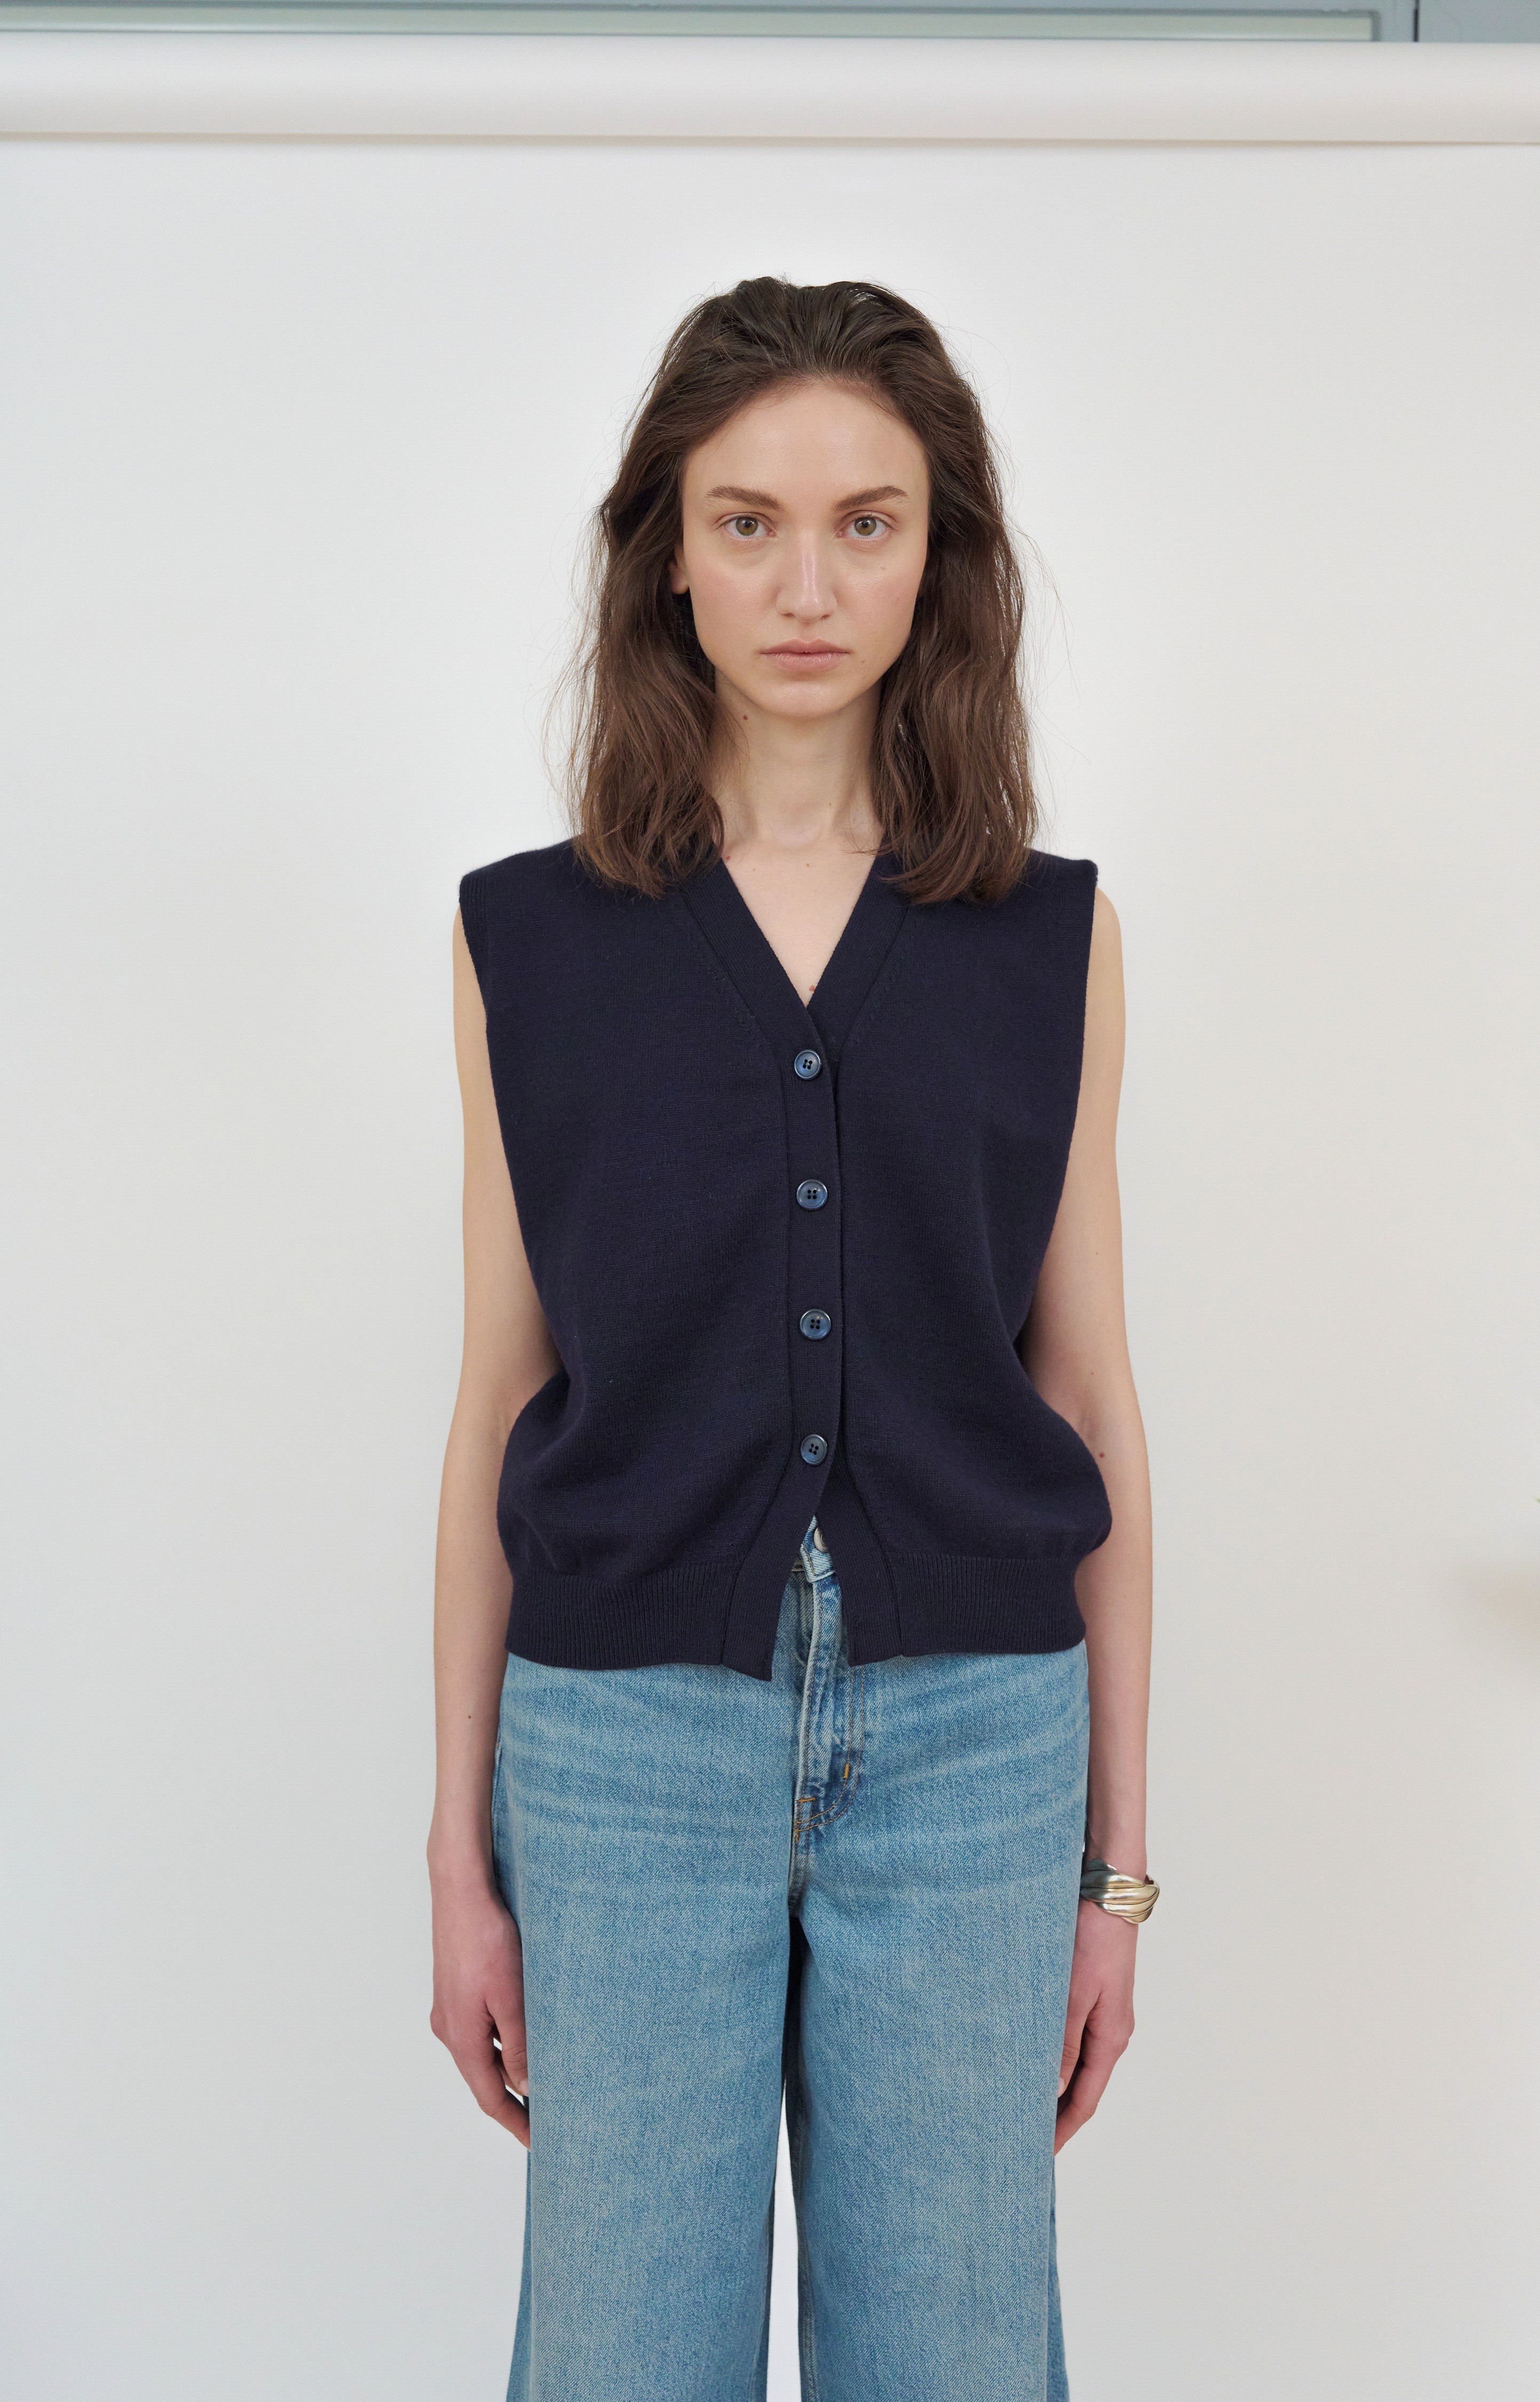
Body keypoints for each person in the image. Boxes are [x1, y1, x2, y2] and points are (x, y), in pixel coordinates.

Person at [427, 275, 1155, 2402]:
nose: (806, 585)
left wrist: (1113, 1873)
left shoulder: (1049, 936)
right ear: (667, 551)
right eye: (745, 523)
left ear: (940, 557)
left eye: (865, 523)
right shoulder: (524, 940)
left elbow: (1087, 1393)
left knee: (952, 2359)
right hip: (620, 1744)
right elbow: (499, 1397)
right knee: (620, 2359)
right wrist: (458, 1856)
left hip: (977, 1745)